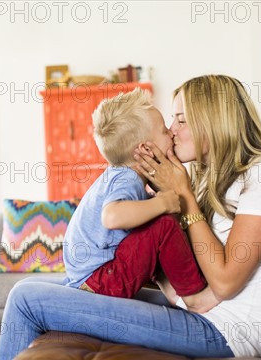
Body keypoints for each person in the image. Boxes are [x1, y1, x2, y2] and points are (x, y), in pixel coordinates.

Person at [0, 74, 261, 360]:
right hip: (200, 314)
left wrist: (182, 195)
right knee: (28, 289)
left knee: (26, 301)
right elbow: (177, 261)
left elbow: (224, 283)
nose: (172, 129)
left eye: (181, 119)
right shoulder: (216, 180)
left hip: (226, 334)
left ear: (215, 121)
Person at [64, 88, 206, 302]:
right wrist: (162, 203)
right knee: (164, 224)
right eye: (163, 130)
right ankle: (196, 294)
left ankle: (181, 288)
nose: (170, 131)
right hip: (100, 281)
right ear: (145, 149)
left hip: (92, 279)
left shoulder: (117, 176)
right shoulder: (127, 178)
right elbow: (111, 216)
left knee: (155, 224)